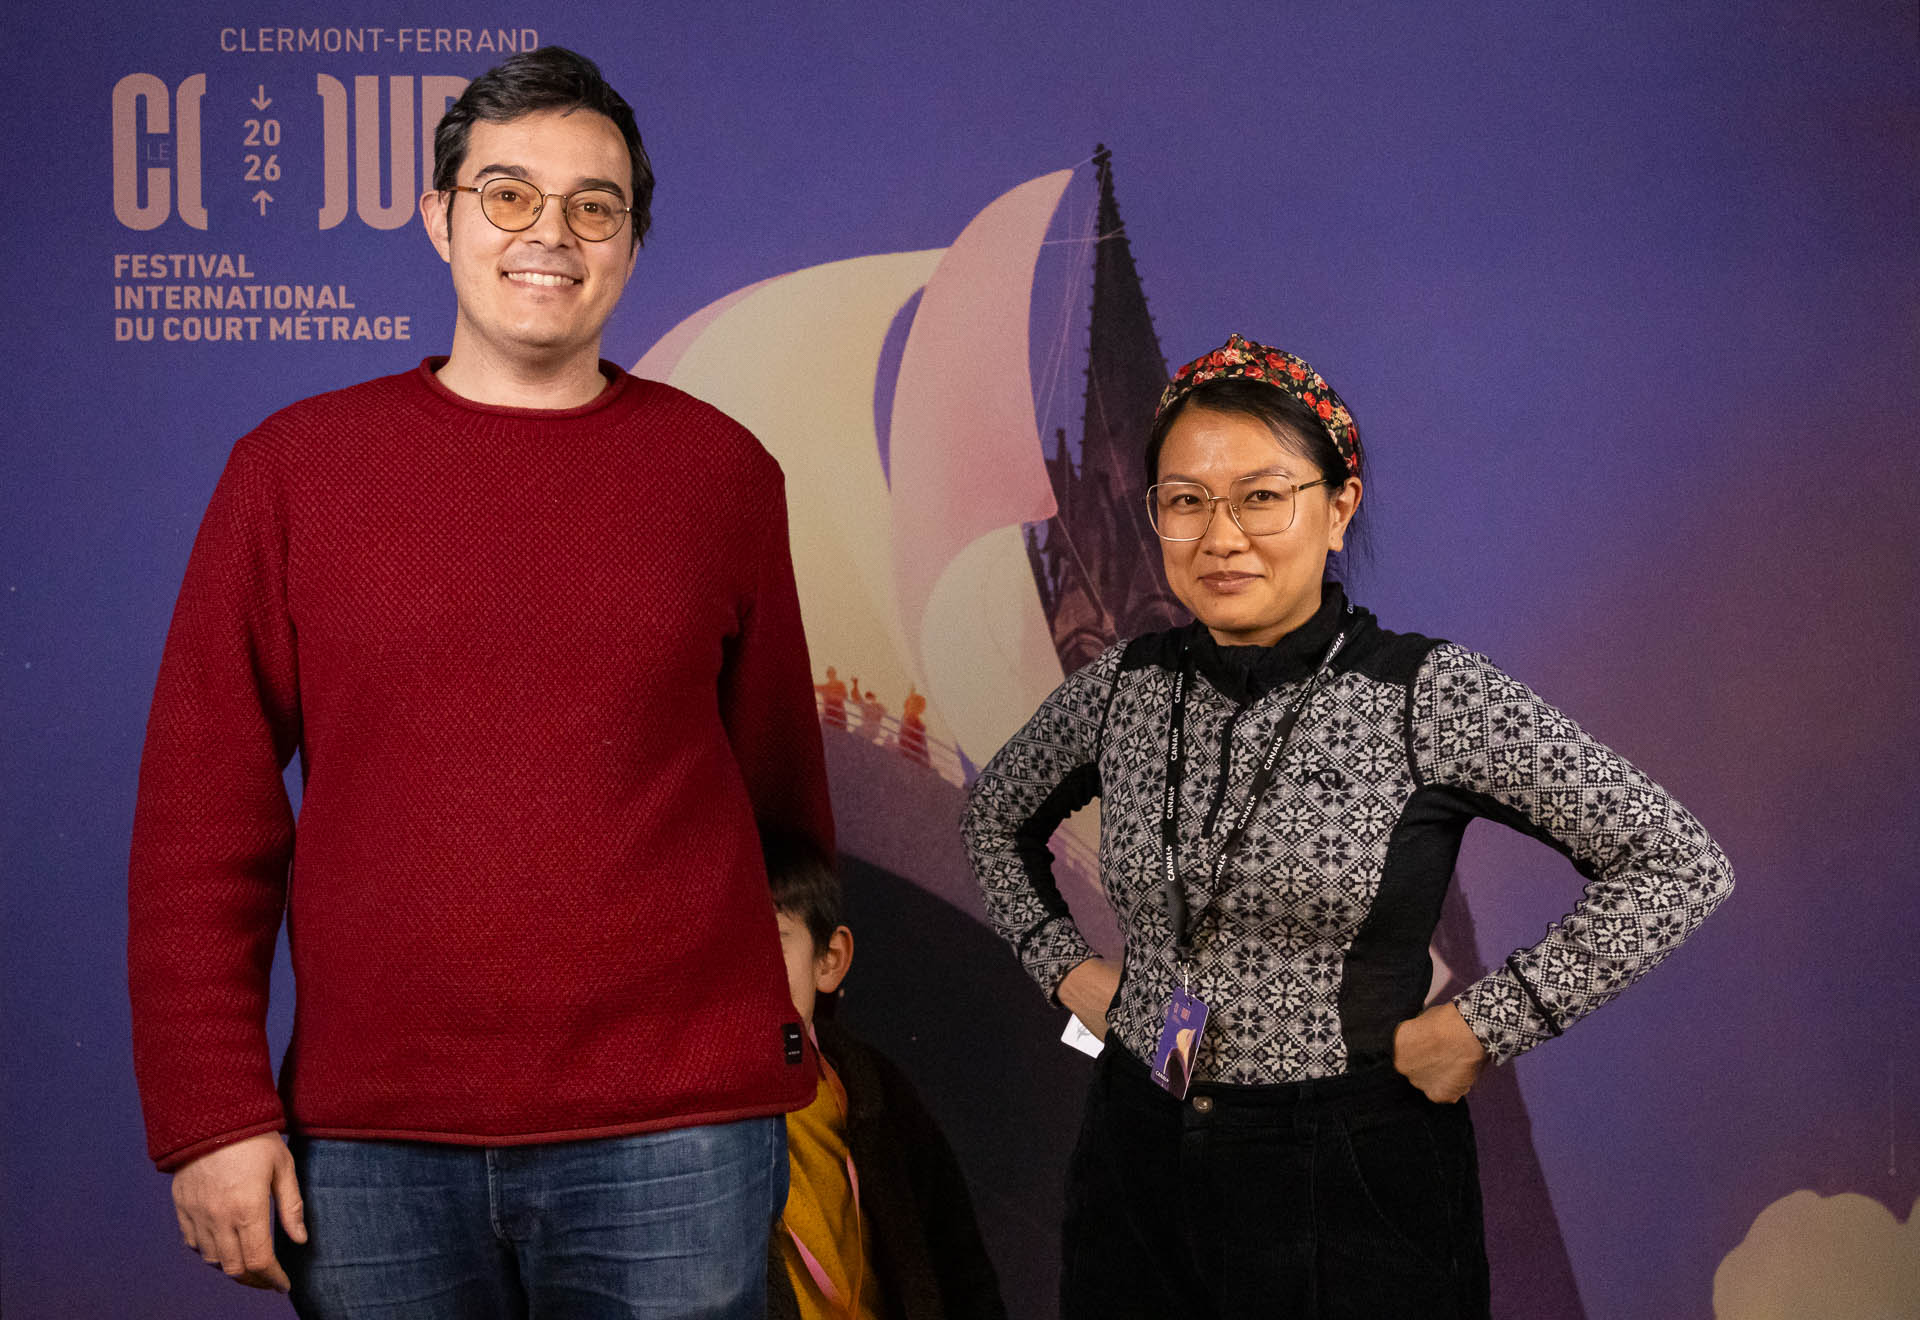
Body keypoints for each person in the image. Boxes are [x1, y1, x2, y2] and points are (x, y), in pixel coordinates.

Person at [127, 47, 831, 1318]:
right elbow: (199, 821)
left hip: (677, 1136)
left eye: (594, 206)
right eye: (508, 194)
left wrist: (779, 999)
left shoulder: (723, 474)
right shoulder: (294, 473)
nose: (549, 233)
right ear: (440, 216)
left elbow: (779, 787)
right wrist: (211, 1113)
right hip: (372, 1145)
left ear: (632, 242)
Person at [960, 334, 1734, 1319]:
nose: (1220, 536)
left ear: (1338, 508)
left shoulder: (1427, 694)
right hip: (1137, 1153)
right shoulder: (1124, 688)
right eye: (1185, 501)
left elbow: (1676, 863)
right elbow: (994, 817)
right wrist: (1067, 970)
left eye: (1261, 496)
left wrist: (1488, 1025)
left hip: (1353, 1174)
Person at [762, 833, 1007, 1320]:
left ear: (829, 960)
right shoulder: (683, 1114)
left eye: (769, 942)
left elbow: (960, 1266)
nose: (743, 972)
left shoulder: (875, 1090)